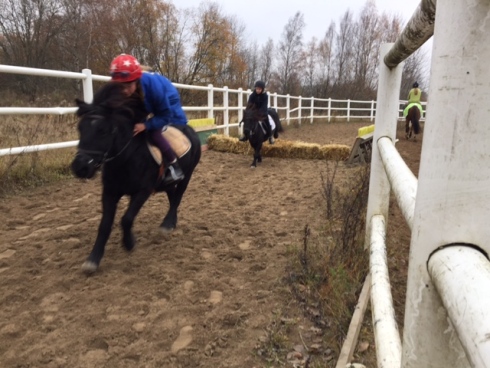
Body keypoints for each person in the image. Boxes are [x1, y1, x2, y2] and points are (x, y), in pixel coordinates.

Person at [109, 53, 186, 186]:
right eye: (120, 87)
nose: (124, 91)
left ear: (136, 81)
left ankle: (174, 166)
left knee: (154, 132)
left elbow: (164, 115)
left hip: (167, 99)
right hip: (145, 98)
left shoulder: (154, 88)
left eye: (128, 86)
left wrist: (146, 125)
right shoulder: (126, 89)